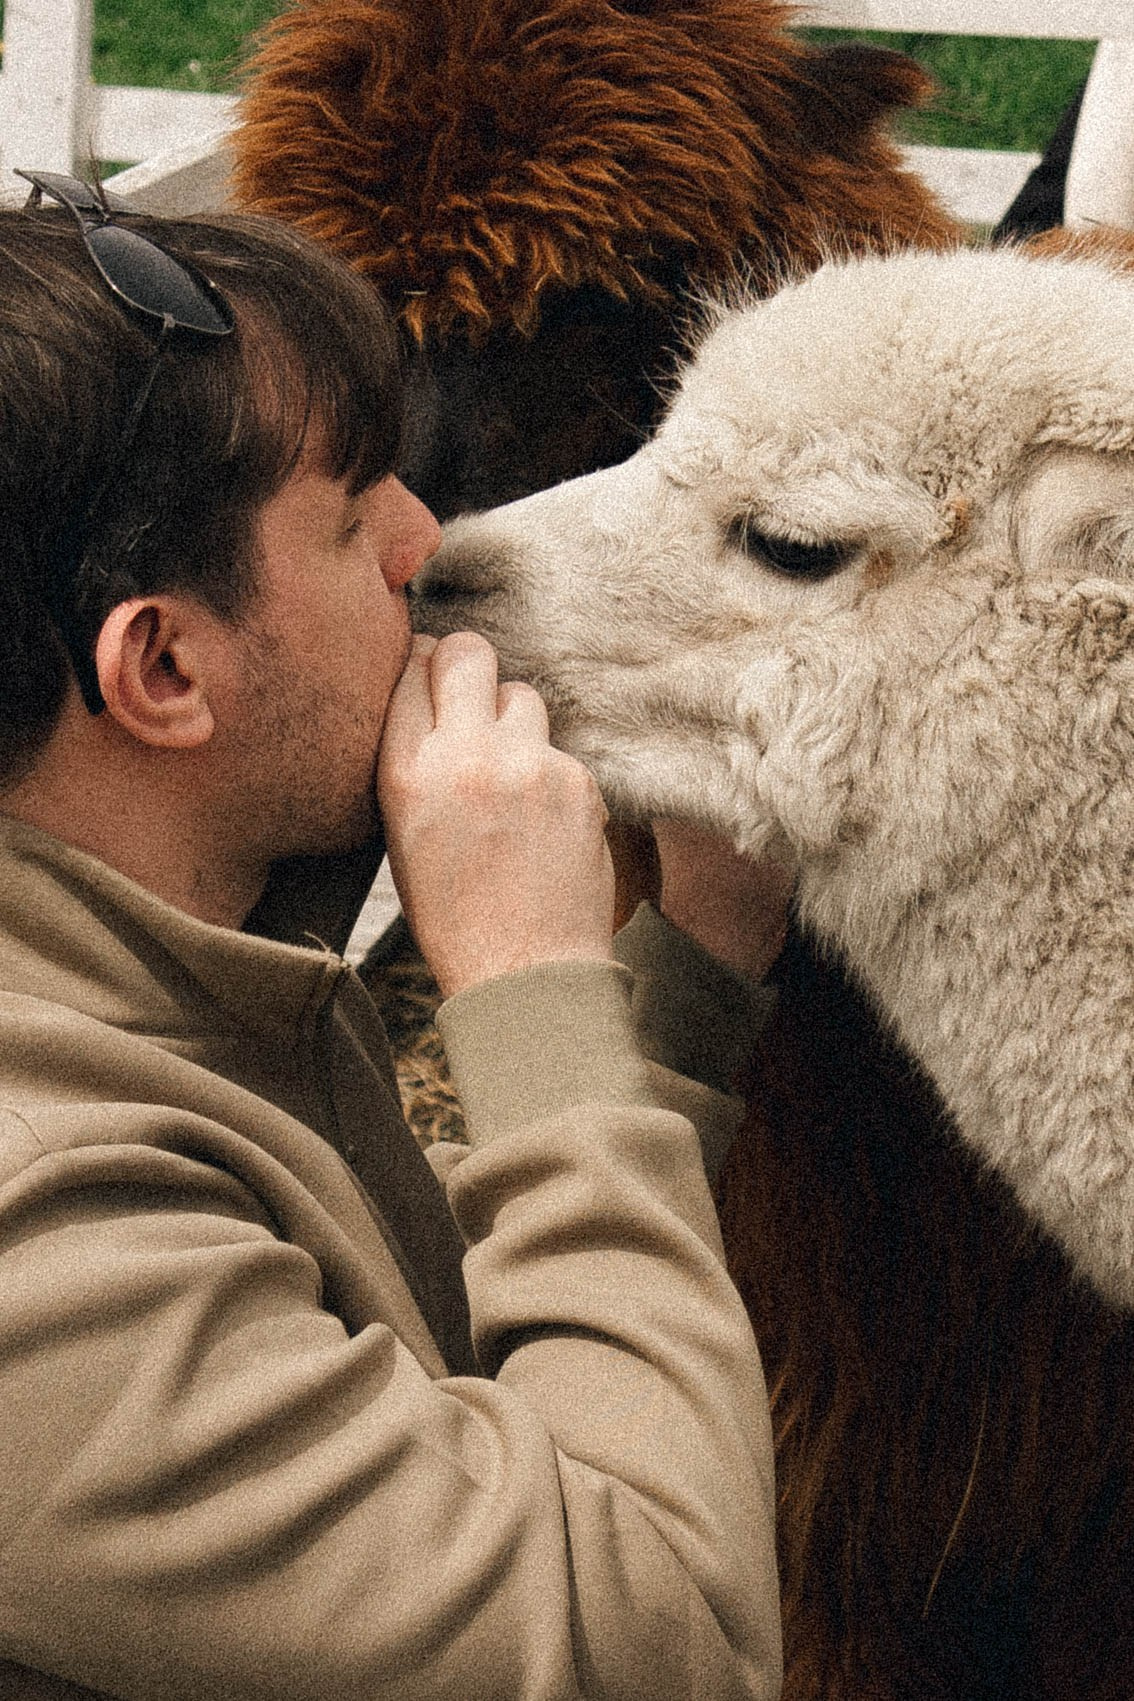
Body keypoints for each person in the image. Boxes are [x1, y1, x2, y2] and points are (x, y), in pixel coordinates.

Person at [0, 176, 786, 1700]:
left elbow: (387, 1361)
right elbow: (664, 1635)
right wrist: (524, 981)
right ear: (161, 662)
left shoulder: (152, 972)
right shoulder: (41, 1264)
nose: (429, 537)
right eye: (353, 507)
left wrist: (690, 956)